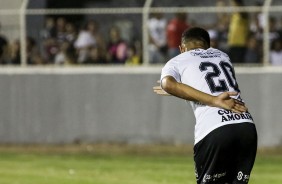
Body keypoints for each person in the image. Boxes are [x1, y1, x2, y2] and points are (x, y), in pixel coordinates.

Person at [153, 27, 257, 184]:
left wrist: (213, 100)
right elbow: (210, 85)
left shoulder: (177, 60)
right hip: (245, 126)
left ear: (181, 48)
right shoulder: (222, 55)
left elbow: (167, 83)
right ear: (208, 46)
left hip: (214, 129)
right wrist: (182, 91)